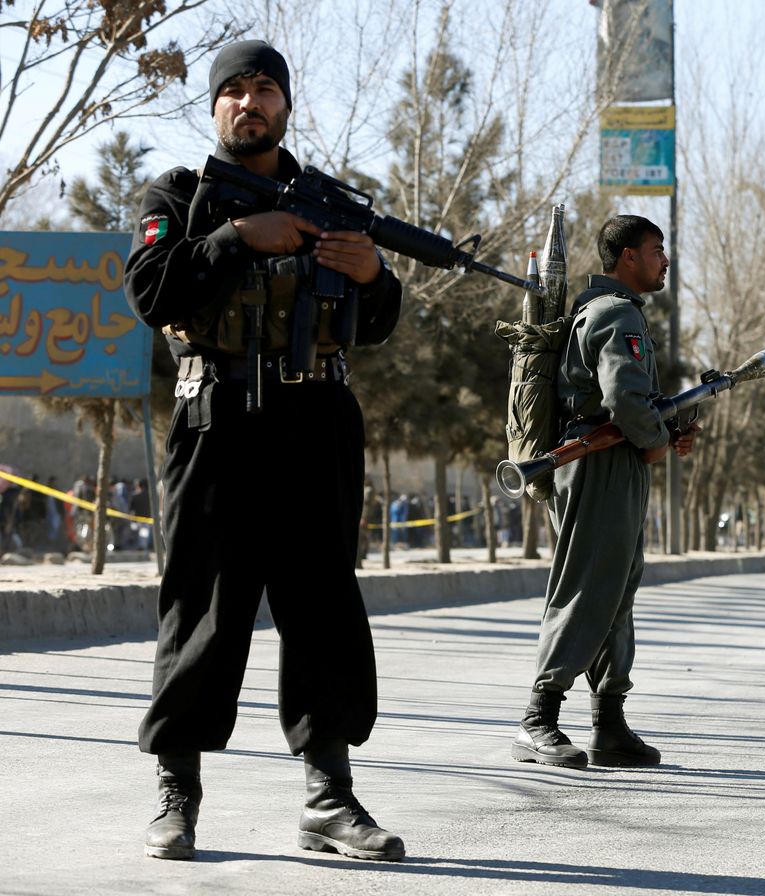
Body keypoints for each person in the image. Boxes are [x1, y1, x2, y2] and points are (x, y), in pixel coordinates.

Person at [123, 40, 459, 862]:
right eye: (233, 91)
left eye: (264, 89)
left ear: (285, 105)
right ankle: (177, 792)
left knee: (322, 607)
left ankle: (328, 796)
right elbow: (151, 290)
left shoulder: (334, 203)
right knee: (203, 608)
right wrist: (243, 236)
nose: (249, 102)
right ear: (213, 108)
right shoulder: (179, 196)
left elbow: (376, 324)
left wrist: (375, 274)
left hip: (316, 419)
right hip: (216, 419)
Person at [512, 215, 698, 769]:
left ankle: (609, 724)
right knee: (588, 586)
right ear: (627, 258)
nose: (665, 260)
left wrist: (666, 431)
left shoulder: (604, 312)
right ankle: (537, 719)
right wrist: (655, 441)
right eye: (656, 250)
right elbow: (625, 399)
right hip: (599, 465)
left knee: (617, 588)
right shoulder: (618, 314)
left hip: (607, 461)